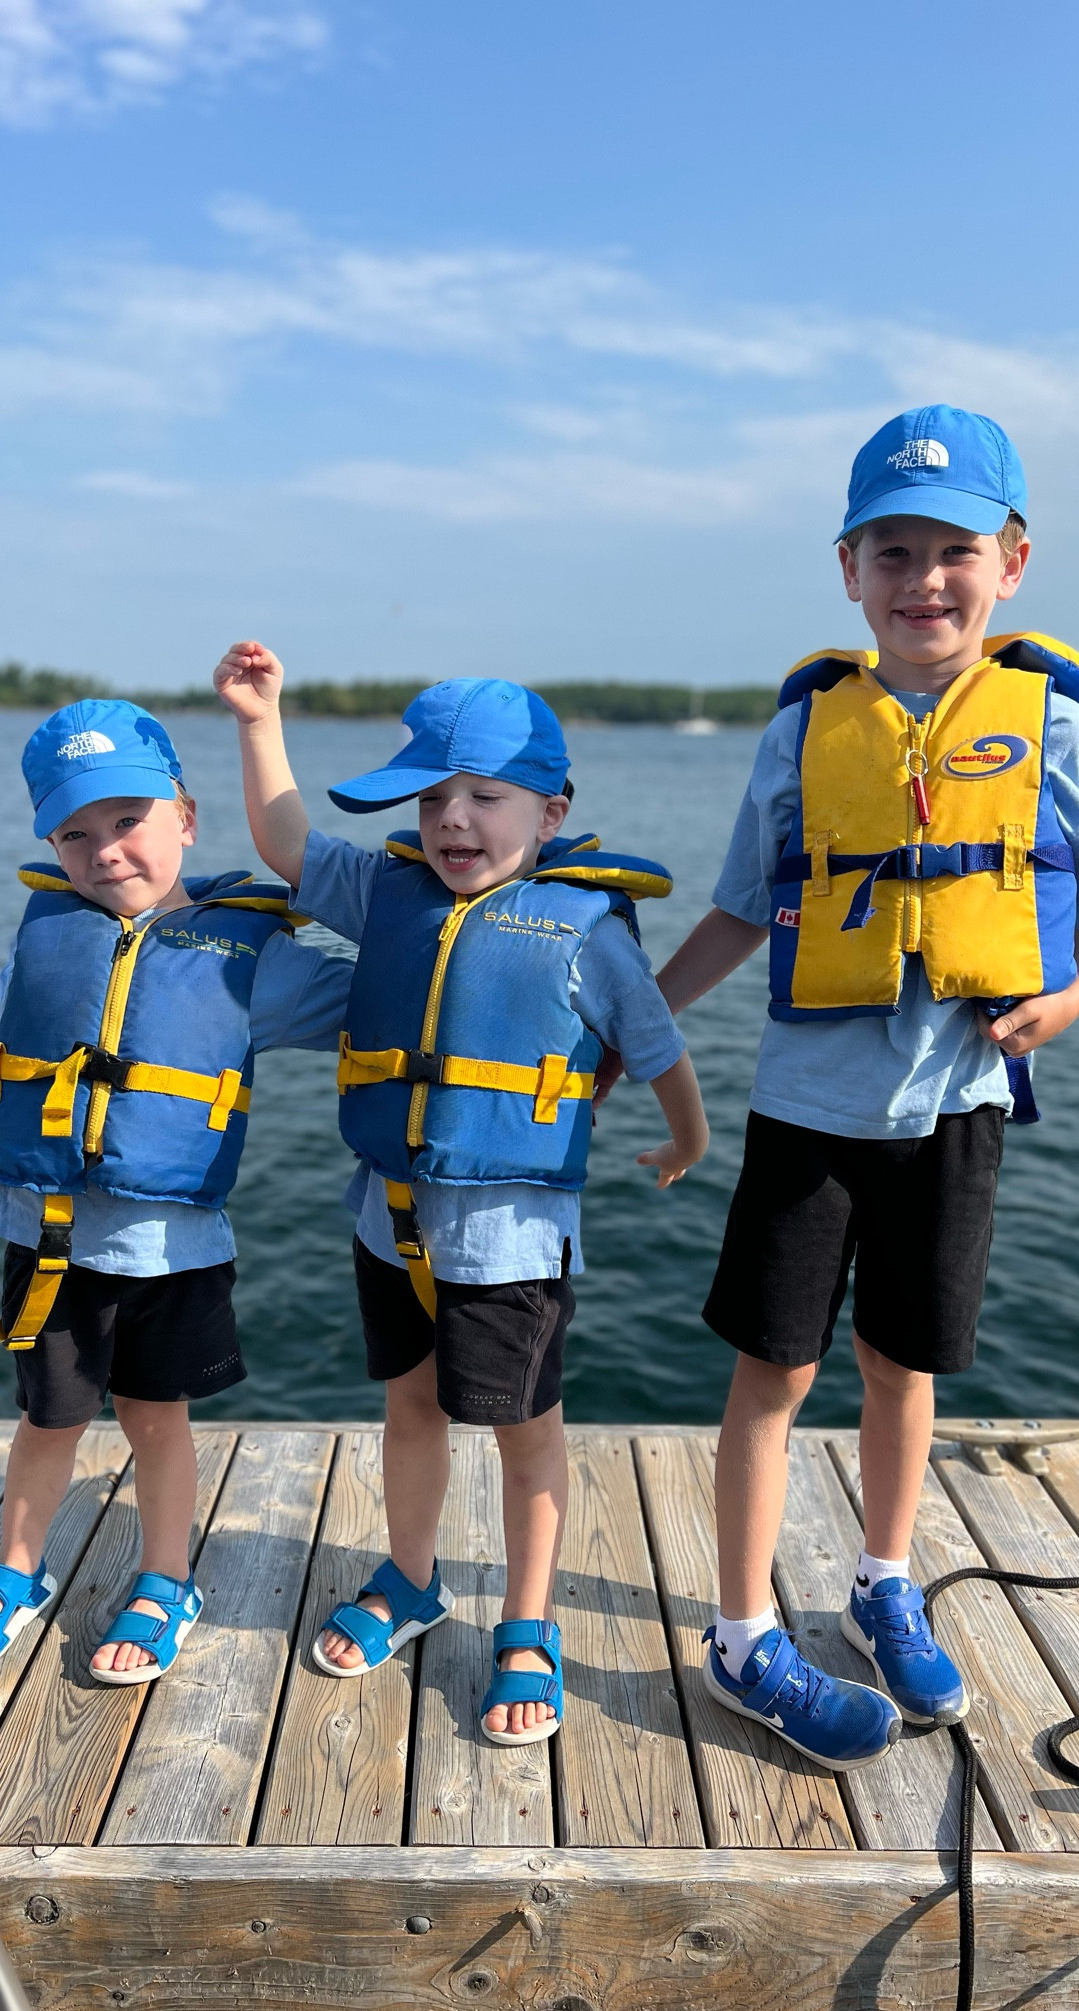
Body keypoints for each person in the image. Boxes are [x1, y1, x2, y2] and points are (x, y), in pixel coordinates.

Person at [647, 405, 1079, 1768]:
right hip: (807, 1109)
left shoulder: (1055, 731)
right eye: (896, 551)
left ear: (1014, 562)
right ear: (850, 568)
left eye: (955, 552)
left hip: (960, 1109)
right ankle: (745, 1630)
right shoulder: (807, 729)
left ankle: (880, 1579)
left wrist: (1074, 996)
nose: (926, 579)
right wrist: (633, 1024)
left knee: (903, 1361)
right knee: (773, 1366)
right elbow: (743, 907)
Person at [214, 649, 709, 1745]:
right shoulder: (382, 886)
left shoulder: (580, 924)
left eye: (485, 796)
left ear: (552, 806)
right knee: (409, 1406)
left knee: (527, 1435)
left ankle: (529, 1621)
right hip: (384, 1221)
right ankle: (410, 1575)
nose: (454, 820)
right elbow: (287, 839)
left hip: (512, 1238)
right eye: (433, 796)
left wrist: (688, 1136)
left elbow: (659, 1045)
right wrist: (261, 718)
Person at [0, 699, 352, 1684]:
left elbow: (376, 998)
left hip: (172, 1254)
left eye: (128, 820)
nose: (105, 850)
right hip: (48, 1235)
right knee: (48, 1417)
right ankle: (17, 1565)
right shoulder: (48, 939)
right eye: (75, 830)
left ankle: (165, 1576)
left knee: (157, 1418)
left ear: (185, 819)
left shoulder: (251, 960)